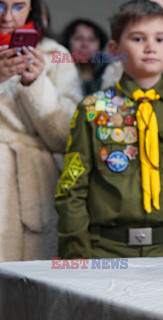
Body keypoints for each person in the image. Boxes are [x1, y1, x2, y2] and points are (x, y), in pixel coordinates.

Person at [55, 0, 163, 259]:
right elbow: (71, 187)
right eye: (137, 38)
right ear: (114, 49)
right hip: (107, 251)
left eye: (159, 39)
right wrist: (77, 254)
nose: (149, 48)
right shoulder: (93, 109)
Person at [0, 0, 82, 262]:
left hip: (35, 183)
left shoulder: (56, 54)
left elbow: (64, 137)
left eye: (18, 6)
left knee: (32, 287)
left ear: (32, 8)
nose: (7, 16)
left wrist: (36, 83)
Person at [61, 19, 109, 95]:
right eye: (78, 38)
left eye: (91, 39)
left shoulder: (111, 74)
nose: (85, 44)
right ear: (67, 42)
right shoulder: (58, 73)